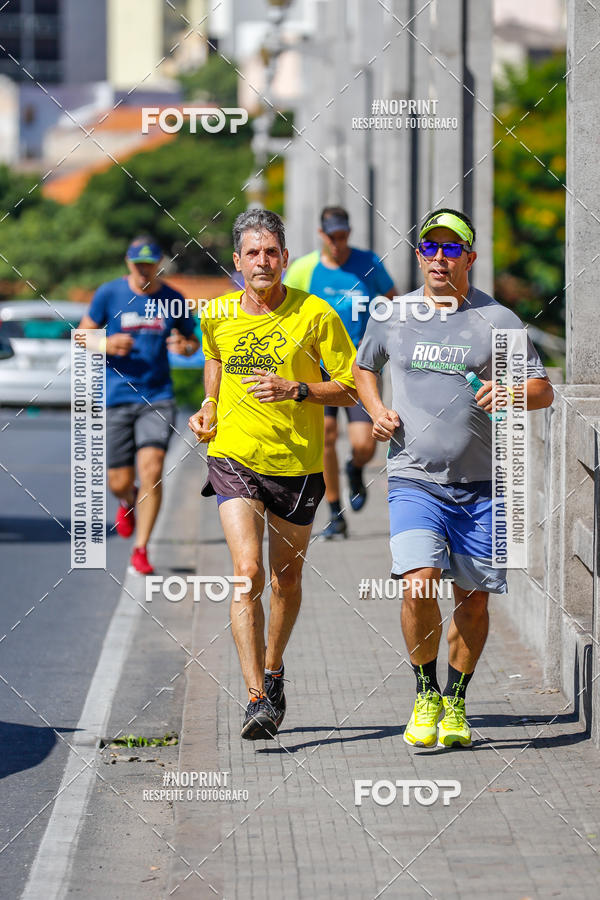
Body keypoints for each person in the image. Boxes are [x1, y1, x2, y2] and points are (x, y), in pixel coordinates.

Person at [352, 208, 554, 749]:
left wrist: (512, 392)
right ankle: (425, 690)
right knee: (419, 582)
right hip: (413, 476)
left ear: (470, 255)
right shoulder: (393, 314)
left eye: (450, 248)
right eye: (429, 248)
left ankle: (457, 699)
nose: (438, 258)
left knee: (475, 599)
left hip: (487, 484)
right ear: (419, 255)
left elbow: (543, 390)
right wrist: (375, 410)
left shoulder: (500, 322)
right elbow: (363, 366)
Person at [188, 209, 357, 741]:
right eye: (252, 253)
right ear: (237, 261)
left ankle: (275, 665)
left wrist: (298, 389)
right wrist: (210, 404)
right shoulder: (214, 313)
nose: (263, 261)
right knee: (247, 572)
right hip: (234, 457)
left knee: (286, 578)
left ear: (285, 258)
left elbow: (351, 387)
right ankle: (256, 696)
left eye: (272, 252)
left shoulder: (316, 315)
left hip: (298, 466)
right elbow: (215, 357)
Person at [79, 235, 199, 575]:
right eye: (138, 265)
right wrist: (105, 341)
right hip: (117, 395)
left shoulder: (173, 298)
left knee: (153, 469)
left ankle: (141, 550)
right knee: (118, 480)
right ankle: (126, 498)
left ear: (159, 262)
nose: (145, 270)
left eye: (150, 264)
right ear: (128, 263)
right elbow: (80, 334)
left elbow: (191, 341)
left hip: (157, 396)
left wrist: (185, 346)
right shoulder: (109, 294)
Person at [284, 206, 396, 539]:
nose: (338, 242)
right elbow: (284, 308)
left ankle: (356, 468)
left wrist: (385, 340)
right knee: (327, 436)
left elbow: (392, 301)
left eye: (343, 235)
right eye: (332, 236)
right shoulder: (305, 269)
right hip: (316, 367)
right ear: (321, 235)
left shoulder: (368, 263)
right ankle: (335, 511)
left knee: (364, 443)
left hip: (360, 366)